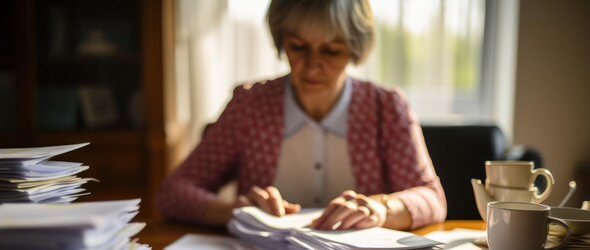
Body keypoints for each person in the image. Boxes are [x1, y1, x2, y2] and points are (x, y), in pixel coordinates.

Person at [157, 0, 447, 231]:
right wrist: (236, 210)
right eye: (298, 47)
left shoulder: (386, 108)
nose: (312, 65)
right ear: (282, 41)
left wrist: (381, 209)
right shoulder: (250, 105)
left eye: (331, 51)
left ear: (354, 49)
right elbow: (174, 192)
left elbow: (431, 198)